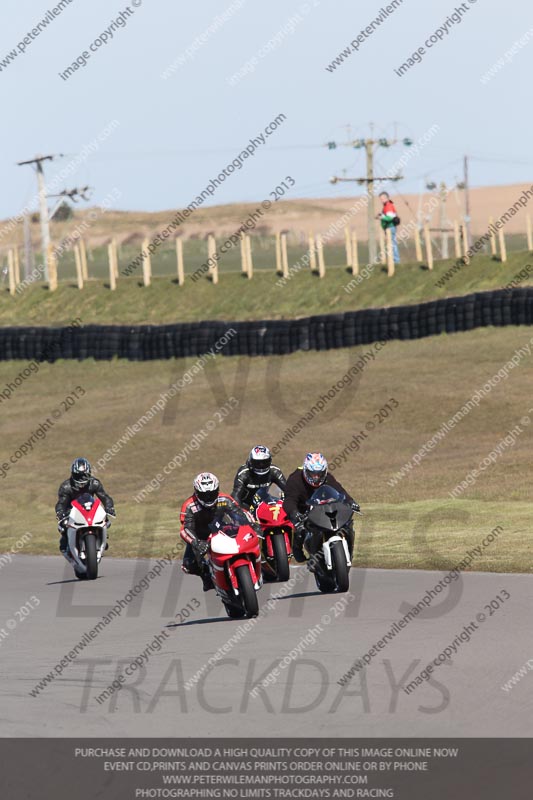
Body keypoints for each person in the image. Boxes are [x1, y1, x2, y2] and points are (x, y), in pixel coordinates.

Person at [180, 472, 257, 591]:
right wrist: (196, 542)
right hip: (200, 536)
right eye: (204, 495)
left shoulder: (224, 499)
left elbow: (240, 512)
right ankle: (206, 575)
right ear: (196, 492)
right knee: (188, 565)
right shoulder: (189, 505)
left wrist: (253, 524)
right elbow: (185, 529)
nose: (209, 497)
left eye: (212, 493)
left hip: (222, 530)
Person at [283, 453, 360, 563]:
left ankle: (348, 550)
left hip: (324, 508)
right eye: (313, 474)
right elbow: (289, 500)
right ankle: (298, 551)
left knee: (348, 524)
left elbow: (340, 491)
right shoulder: (295, 480)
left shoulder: (328, 478)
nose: (316, 477)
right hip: (304, 511)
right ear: (306, 470)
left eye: (319, 474)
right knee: (299, 530)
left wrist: (351, 502)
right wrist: (294, 513)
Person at [55, 458, 115, 556]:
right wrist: (60, 513)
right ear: (73, 474)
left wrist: (109, 507)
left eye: (83, 475)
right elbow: (61, 503)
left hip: (90, 508)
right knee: (63, 526)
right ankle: (66, 543)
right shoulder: (66, 487)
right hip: (72, 511)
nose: (81, 478)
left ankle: (101, 538)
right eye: (78, 475)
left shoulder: (94, 483)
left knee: (106, 520)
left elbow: (105, 497)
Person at [378, 191, 400, 264]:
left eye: (383, 198)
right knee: (391, 244)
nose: (381, 200)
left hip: (390, 227)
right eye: (380, 199)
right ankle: (394, 260)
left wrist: (381, 217)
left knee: (392, 244)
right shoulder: (386, 206)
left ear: (387, 198)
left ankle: (396, 261)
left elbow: (389, 217)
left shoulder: (388, 206)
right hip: (389, 227)